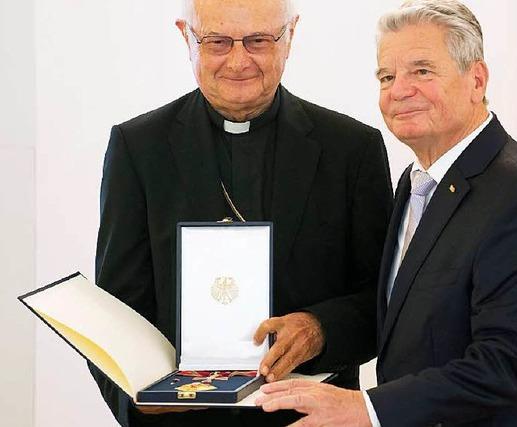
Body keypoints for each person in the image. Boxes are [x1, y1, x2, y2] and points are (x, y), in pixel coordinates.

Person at [256, 1, 517, 425]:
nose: (399, 90)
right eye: (387, 76)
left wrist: (366, 408)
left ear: (477, 79)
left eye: (422, 71)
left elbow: (508, 367)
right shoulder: (415, 183)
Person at [89, 0, 393, 425]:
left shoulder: (352, 150)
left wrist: (321, 328)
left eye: (258, 41)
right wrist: (135, 401)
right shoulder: (138, 149)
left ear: (290, 37)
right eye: (217, 42)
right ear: (186, 37)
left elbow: (385, 300)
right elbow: (114, 317)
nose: (238, 61)